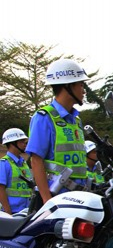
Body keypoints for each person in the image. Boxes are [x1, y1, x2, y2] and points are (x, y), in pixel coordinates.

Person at [25, 59, 89, 204]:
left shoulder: (76, 120)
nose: (83, 90)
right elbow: (36, 161)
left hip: (80, 197)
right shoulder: (44, 118)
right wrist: (48, 201)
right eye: (80, 85)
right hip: (56, 198)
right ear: (68, 86)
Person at [0, 128, 32, 214]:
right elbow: (0, 189)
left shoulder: (24, 163)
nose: (25, 144)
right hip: (11, 212)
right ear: (12, 143)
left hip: (26, 211)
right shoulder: (4, 164)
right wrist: (8, 213)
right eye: (22, 141)